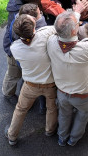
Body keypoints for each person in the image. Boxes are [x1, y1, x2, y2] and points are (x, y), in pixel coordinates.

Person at [2, 0, 64, 105]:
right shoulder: (25, 17)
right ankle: (8, 93)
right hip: (15, 51)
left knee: (20, 72)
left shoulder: (19, 4)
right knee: (13, 74)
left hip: (17, 48)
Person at [5, 14, 58, 146]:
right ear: (34, 27)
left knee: (21, 109)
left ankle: (12, 136)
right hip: (50, 84)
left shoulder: (15, 48)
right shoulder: (45, 34)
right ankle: (50, 130)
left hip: (30, 85)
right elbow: (57, 27)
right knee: (51, 108)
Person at [47, 11, 88, 147]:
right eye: (77, 24)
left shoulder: (51, 42)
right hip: (83, 96)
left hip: (62, 92)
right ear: (75, 30)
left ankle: (62, 138)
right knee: (82, 116)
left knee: (64, 114)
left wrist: (76, 15)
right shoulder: (86, 47)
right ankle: (74, 139)